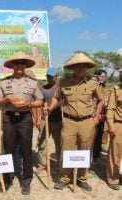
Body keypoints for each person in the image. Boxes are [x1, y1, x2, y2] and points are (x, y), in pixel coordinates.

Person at [46, 52, 104, 192]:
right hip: (68, 121)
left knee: (85, 150)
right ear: (73, 68)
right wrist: (50, 108)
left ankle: (82, 178)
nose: (80, 69)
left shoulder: (92, 83)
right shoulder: (64, 83)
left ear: (86, 68)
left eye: (83, 66)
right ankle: (64, 178)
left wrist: (96, 116)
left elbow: (101, 99)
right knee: (66, 150)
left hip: (86, 122)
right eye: (77, 66)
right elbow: (56, 98)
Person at [0, 51, 43, 195]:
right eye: (17, 64)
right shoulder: (4, 82)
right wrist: (8, 100)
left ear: (25, 66)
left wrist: (28, 104)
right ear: (12, 66)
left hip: (25, 119)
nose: (19, 66)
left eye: (22, 63)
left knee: (26, 150)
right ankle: (8, 177)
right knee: (8, 149)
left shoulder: (33, 83)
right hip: (9, 119)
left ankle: (26, 180)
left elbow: (39, 101)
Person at [36, 67, 62, 174]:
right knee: (42, 142)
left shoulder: (60, 88)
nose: (50, 78)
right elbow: (40, 103)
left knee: (59, 143)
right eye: (48, 76)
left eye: (52, 76)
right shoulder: (43, 88)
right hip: (45, 119)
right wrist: (38, 118)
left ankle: (59, 165)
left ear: (56, 76)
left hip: (57, 119)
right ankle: (42, 164)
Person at [105, 68, 122, 190]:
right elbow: (110, 109)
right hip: (118, 124)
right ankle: (113, 178)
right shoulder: (116, 90)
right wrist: (111, 125)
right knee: (115, 154)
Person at [92, 69, 108, 161]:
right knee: (92, 137)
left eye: (105, 76)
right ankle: (91, 156)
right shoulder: (93, 86)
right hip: (93, 115)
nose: (103, 78)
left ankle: (96, 155)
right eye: (102, 76)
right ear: (96, 76)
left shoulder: (103, 88)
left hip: (102, 116)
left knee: (99, 136)